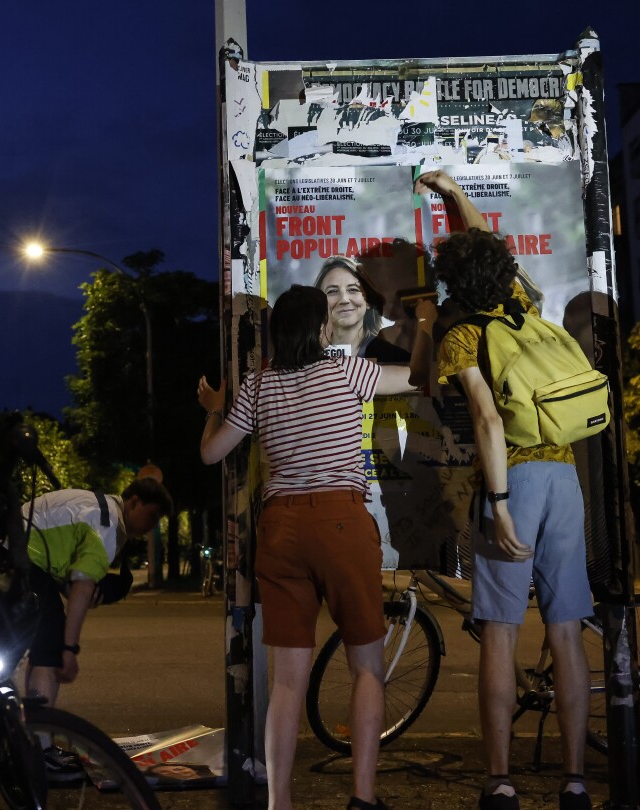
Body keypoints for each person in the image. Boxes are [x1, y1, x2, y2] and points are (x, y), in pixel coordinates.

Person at [197, 284, 419, 810]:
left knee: (287, 685)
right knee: (366, 666)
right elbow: (414, 377)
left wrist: (214, 408)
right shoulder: (347, 372)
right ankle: (362, 797)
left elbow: (210, 454)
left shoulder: (257, 386)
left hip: (281, 532)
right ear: (320, 330)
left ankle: (280, 803)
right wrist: (425, 325)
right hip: (342, 523)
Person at [425, 169, 592, 810]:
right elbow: (487, 241)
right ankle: (575, 780)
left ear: (452, 285)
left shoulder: (463, 333)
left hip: (514, 478)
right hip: (564, 479)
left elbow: (489, 419)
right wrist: (454, 194)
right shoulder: (526, 305)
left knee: (499, 631)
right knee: (567, 631)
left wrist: (496, 504)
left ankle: (501, 780)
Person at [20, 479, 172, 778]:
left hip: (15, 550)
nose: (152, 525)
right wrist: (69, 648)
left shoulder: (101, 508)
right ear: (134, 502)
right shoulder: (107, 523)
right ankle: (39, 751)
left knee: (42, 646)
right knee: (50, 648)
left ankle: (34, 741)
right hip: (20, 556)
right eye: (152, 516)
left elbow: (73, 578)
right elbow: (82, 585)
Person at [313, 255, 411, 363]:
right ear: (318, 302)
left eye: (353, 289)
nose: (344, 299)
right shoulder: (304, 359)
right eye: (332, 291)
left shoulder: (396, 358)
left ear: (368, 301)